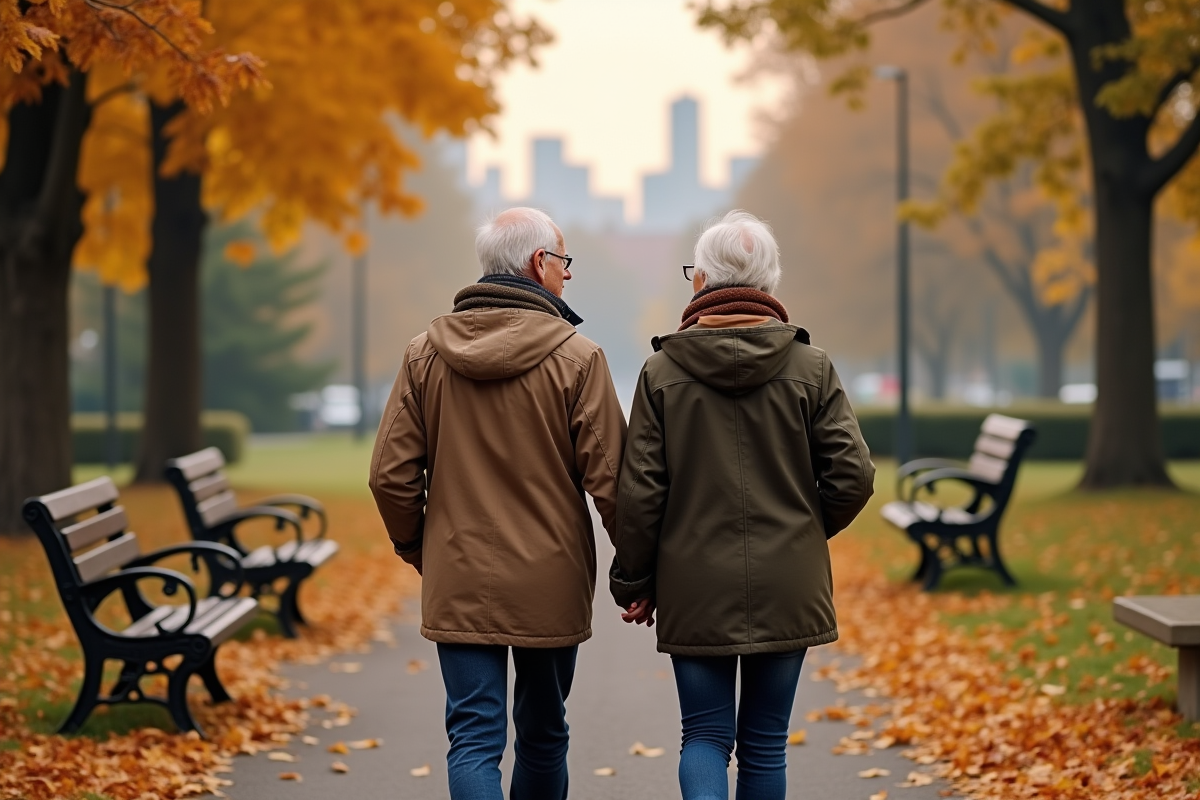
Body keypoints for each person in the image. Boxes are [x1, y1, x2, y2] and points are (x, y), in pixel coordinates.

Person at [610, 209, 875, 800]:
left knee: (703, 735)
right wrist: (802, 530)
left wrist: (635, 580)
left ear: (700, 281)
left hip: (694, 578)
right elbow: (853, 475)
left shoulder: (661, 372)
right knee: (765, 742)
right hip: (789, 578)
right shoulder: (812, 367)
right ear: (770, 282)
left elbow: (641, 490)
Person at [370, 207, 627, 800]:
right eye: (564, 264)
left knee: (473, 739)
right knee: (543, 734)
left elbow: (390, 475)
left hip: (458, 572)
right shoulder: (578, 359)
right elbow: (613, 480)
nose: (568, 277)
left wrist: (418, 545)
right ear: (540, 264)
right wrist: (634, 570)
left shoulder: (422, 355)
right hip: (550, 575)